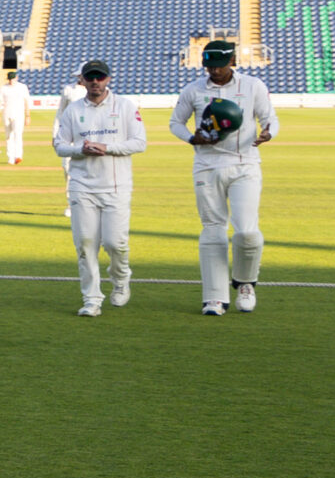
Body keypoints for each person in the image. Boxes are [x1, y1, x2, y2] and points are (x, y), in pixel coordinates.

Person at [169, 39, 278, 316]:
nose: (214, 71)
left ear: (232, 62)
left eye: (219, 66)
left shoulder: (253, 86)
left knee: (247, 232)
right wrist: (192, 137)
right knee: (213, 230)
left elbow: (270, 119)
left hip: (245, 164)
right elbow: (175, 123)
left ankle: (245, 283)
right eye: (209, 66)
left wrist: (268, 133)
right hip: (206, 165)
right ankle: (214, 298)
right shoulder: (193, 89)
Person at [50, 60, 146, 317]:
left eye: (100, 77)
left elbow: (139, 143)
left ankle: (121, 278)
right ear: (82, 80)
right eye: (90, 77)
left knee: (116, 243)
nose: (95, 82)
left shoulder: (125, 106)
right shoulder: (73, 111)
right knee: (85, 244)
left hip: (116, 186)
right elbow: (60, 145)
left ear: (108, 79)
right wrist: (79, 150)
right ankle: (91, 298)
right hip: (82, 186)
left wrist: (107, 147)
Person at [0, 73, 30, 164]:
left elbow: (26, 102)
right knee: (8, 137)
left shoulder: (22, 87)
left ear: (16, 78)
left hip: (19, 114)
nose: (11, 81)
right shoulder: (4, 88)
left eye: (13, 79)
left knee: (18, 135)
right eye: (10, 79)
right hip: (7, 114)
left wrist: (27, 116)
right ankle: (10, 158)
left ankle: (18, 156)